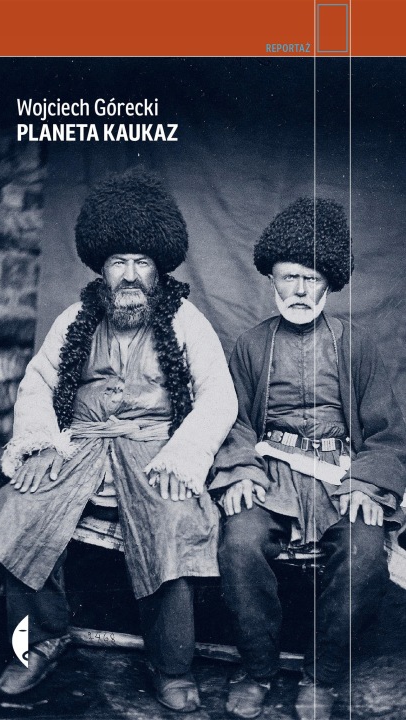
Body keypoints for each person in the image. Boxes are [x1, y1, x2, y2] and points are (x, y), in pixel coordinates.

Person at [0, 169, 238, 712]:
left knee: (175, 523)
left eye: (141, 262)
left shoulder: (187, 321)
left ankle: (171, 665)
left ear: (159, 268)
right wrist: (41, 444)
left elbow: (219, 397)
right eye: (118, 261)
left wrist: (183, 458)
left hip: (154, 453)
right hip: (78, 449)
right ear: (101, 266)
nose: (129, 275)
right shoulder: (74, 319)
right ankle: (38, 643)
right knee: (12, 511)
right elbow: (38, 383)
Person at [209, 197, 406, 720]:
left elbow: (388, 432)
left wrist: (367, 485)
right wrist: (240, 471)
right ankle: (257, 669)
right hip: (270, 474)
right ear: (272, 280)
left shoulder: (356, 345)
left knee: (365, 553)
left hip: (342, 477)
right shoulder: (251, 345)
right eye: (289, 277)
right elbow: (232, 421)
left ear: (329, 284)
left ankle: (323, 676)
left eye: (311, 278)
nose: (299, 290)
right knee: (239, 543)